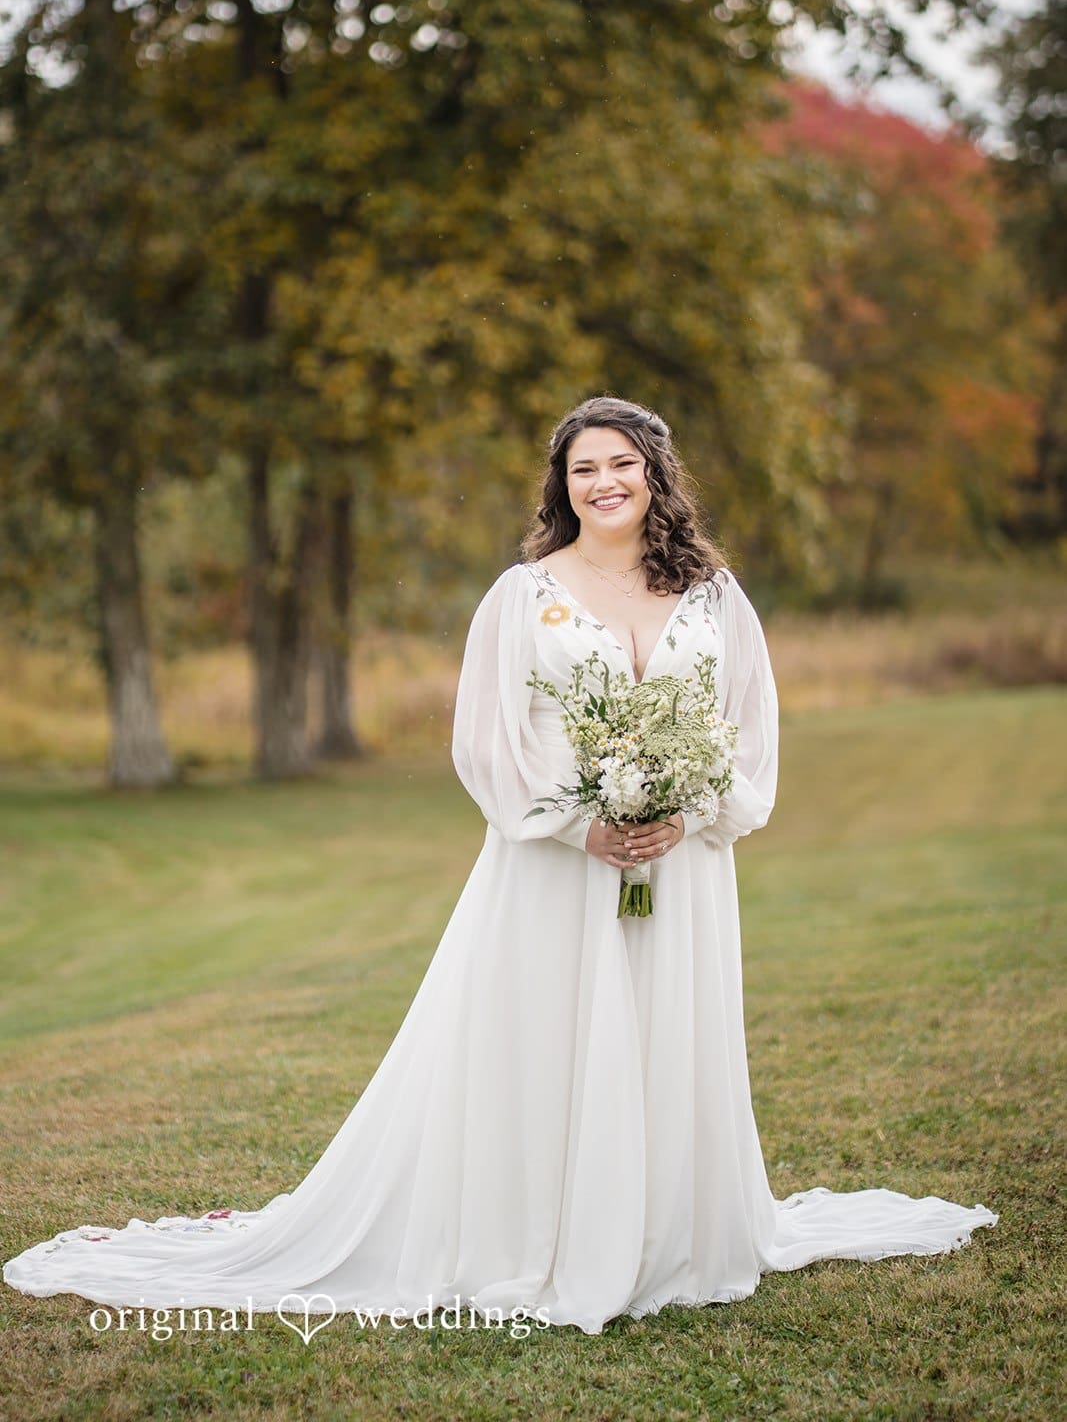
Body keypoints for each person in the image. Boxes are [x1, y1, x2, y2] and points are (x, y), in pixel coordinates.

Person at [2, 394, 998, 1335]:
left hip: (680, 868)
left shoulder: (715, 595)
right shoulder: (521, 597)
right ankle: (541, 1237)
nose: (602, 481)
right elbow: (484, 740)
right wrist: (583, 825)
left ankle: (670, 1239)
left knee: (663, 1034)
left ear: (656, 474)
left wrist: (683, 812)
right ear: (559, 485)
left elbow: (748, 727)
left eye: (621, 463)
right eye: (581, 467)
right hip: (552, 869)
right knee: (552, 1039)